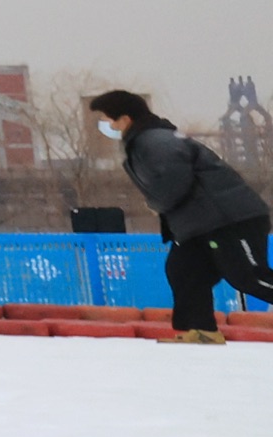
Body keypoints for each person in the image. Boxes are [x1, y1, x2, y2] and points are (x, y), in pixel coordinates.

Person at [89, 90, 273, 341]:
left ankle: (201, 331)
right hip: (201, 223)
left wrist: (157, 203)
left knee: (248, 277)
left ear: (124, 119)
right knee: (185, 270)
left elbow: (174, 180)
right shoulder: (145, 140)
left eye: (106, 118)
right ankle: (201, 331)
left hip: (230, 219)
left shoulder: (154, 141)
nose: (103, 124)